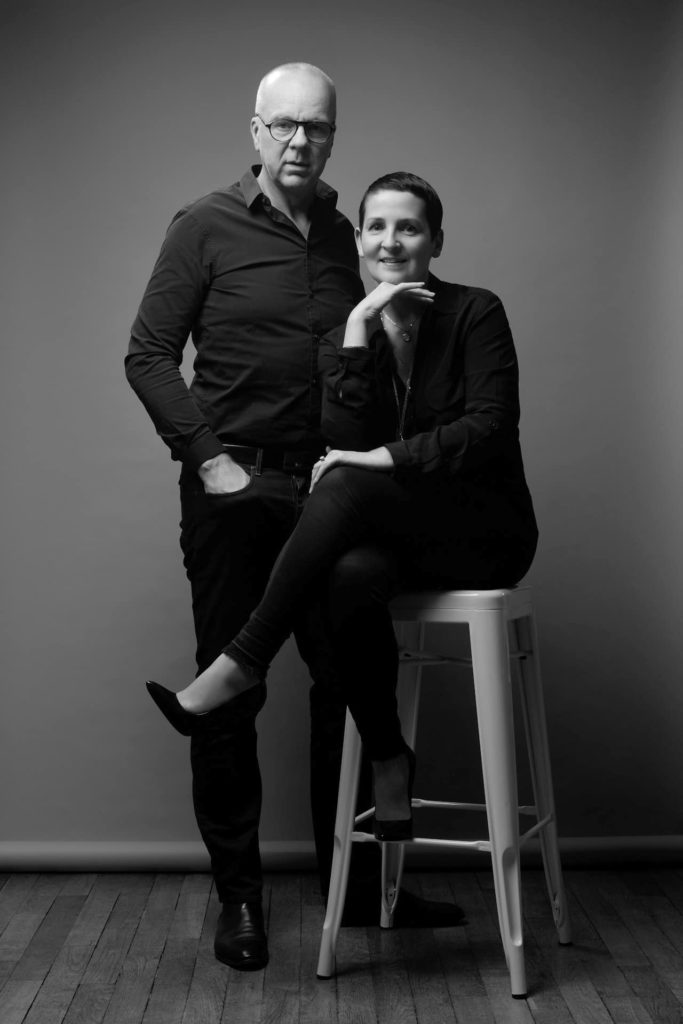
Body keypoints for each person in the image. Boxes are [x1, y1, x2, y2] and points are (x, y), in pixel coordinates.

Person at [126, 67, 460, 974]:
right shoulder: (203, 226)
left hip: (324, 494)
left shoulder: (347, 239)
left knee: (343, 683)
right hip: (234, 495)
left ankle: (351, 888)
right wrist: (211, 461)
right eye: (284, 127)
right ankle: (240, 899)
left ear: (333, 136)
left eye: (316, 129)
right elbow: (148, 354)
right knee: (232, 694)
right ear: (256, 130)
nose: (300, 143)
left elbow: (364, 378)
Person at [147, 172, 539, 866]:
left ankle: (241, 661)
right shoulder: (342, 338)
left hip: (483, 534)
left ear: (435, 240)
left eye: (409, 227)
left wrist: (383, 457)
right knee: (350, 574)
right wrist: (359, 335)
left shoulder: (476, 311)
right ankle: (389, 756)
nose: (392, 241)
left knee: (347, 480)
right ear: (358, 239)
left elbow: (488, 428)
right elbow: (342, 428)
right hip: (401, 539)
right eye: (378, 228)